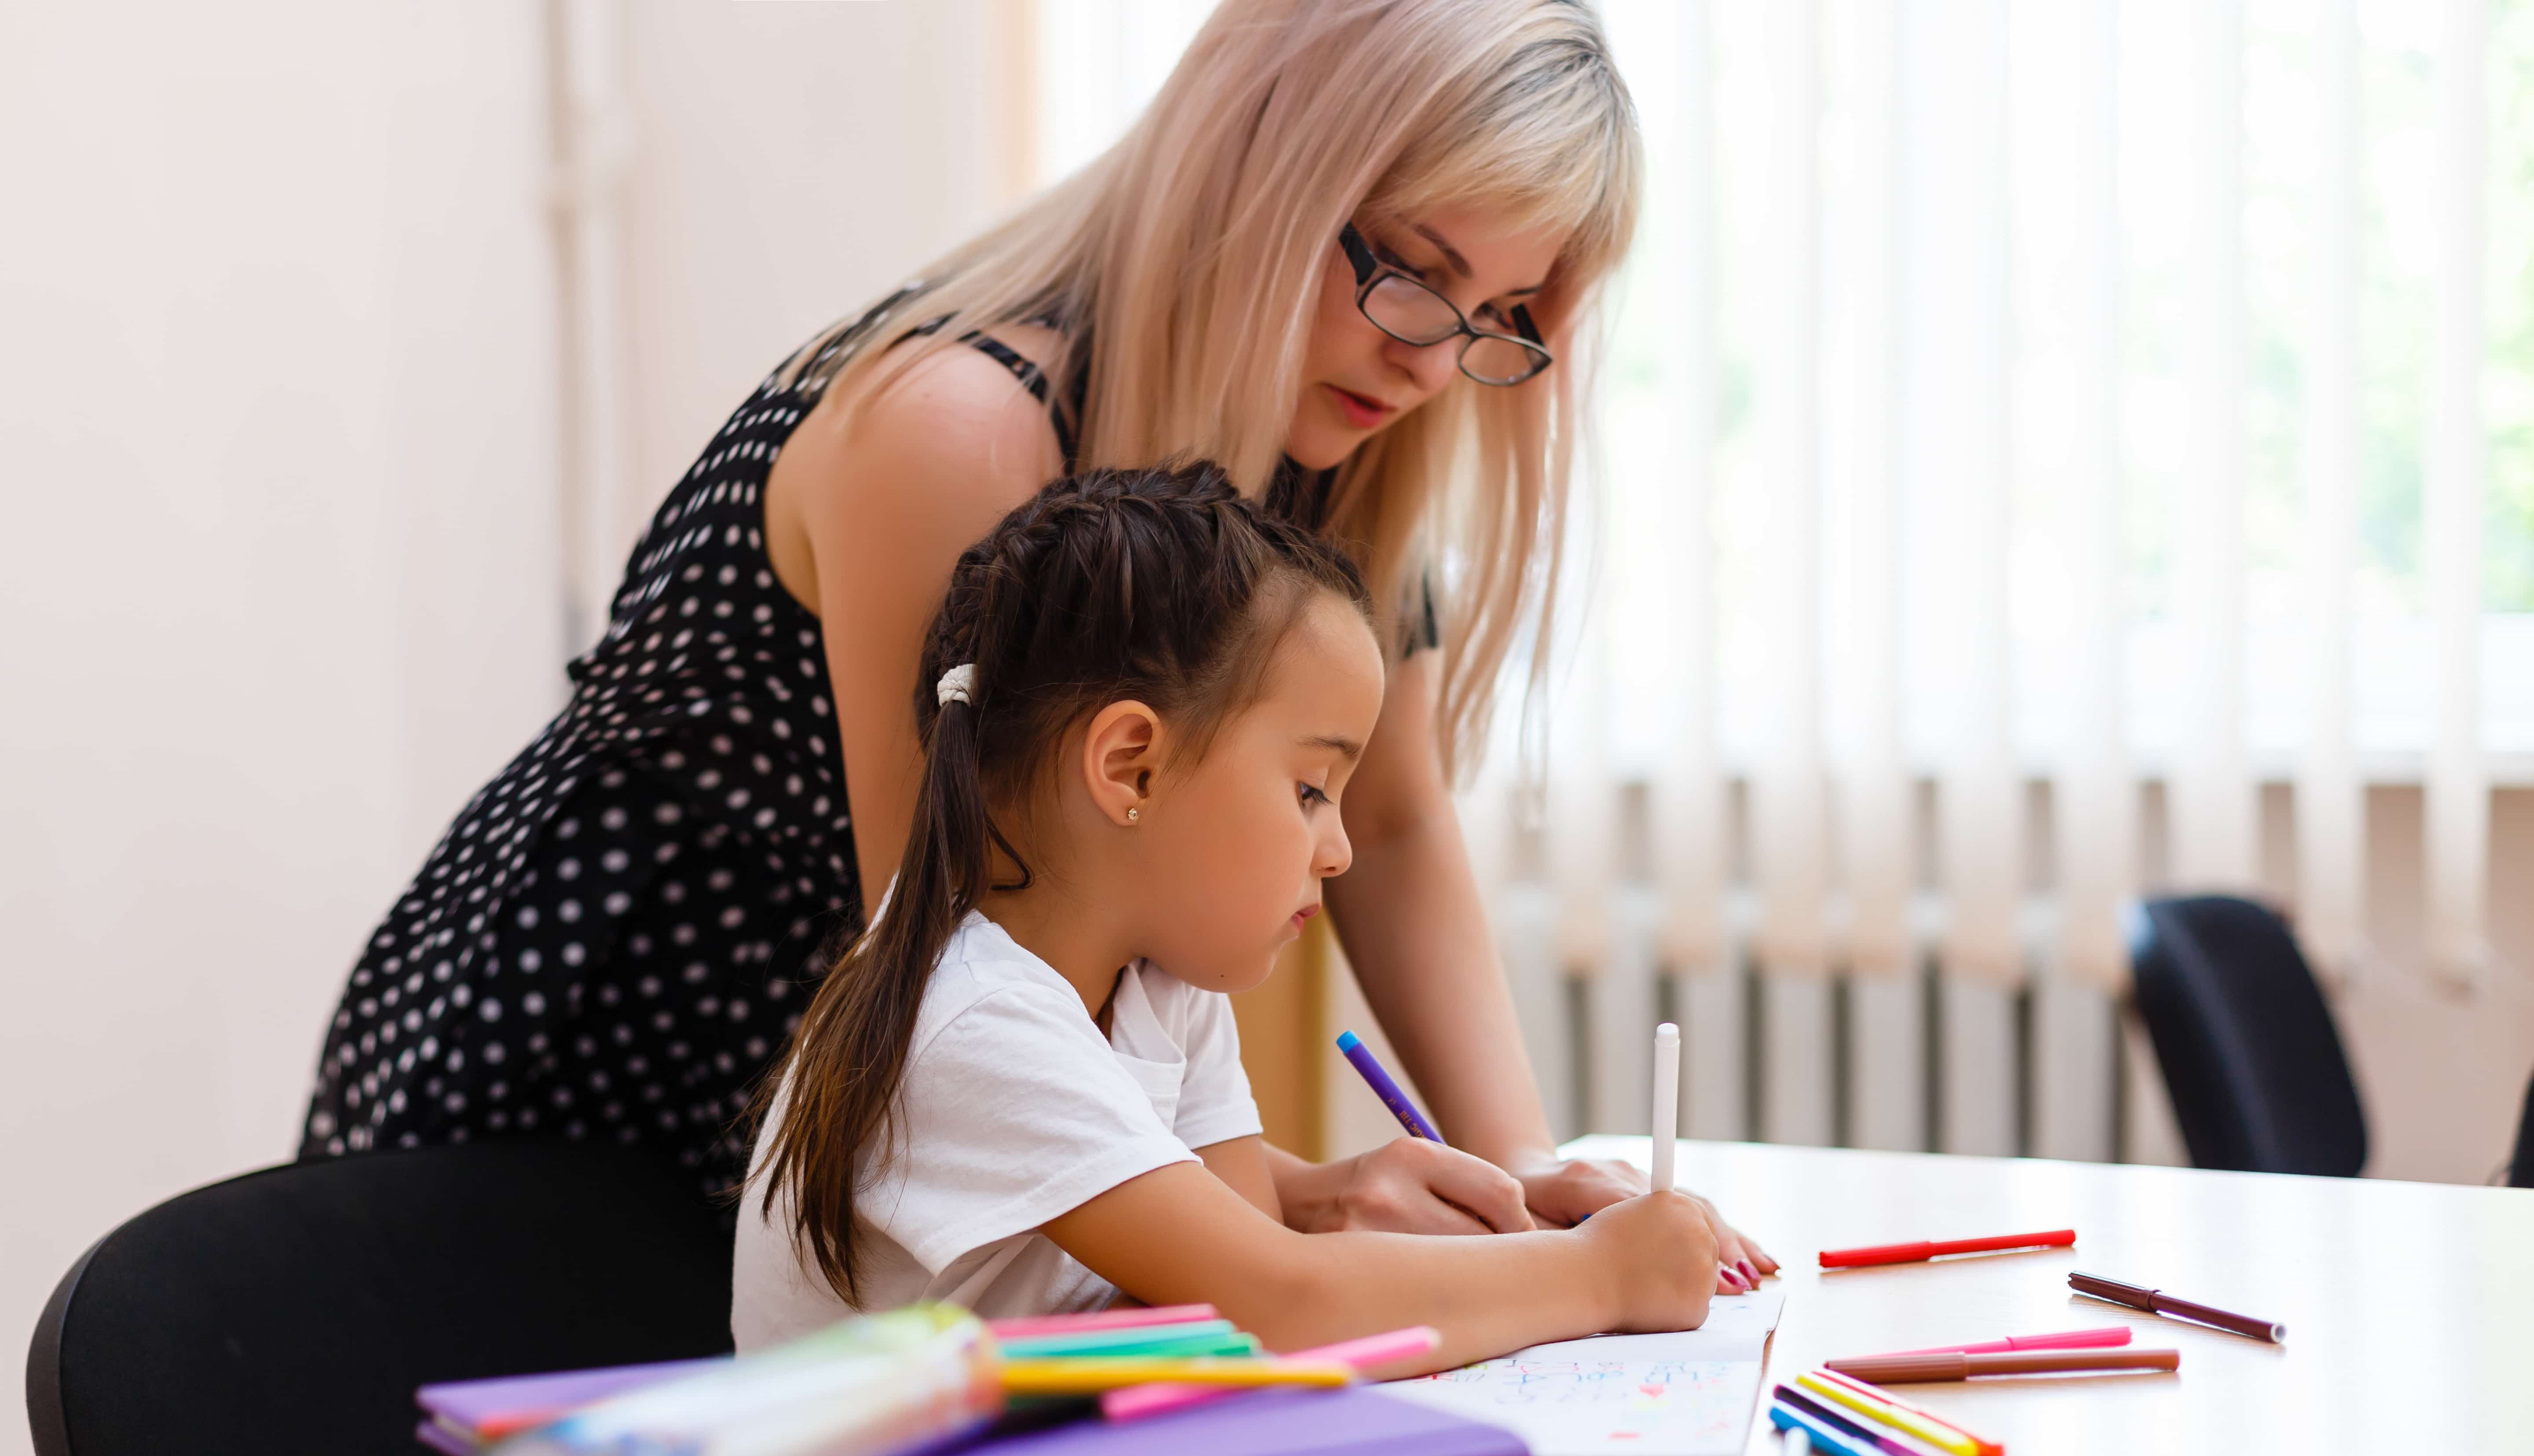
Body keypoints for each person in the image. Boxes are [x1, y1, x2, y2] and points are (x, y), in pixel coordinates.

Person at [301, 0, 1774, 1290]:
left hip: (898, 1178)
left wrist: (1522, 1185)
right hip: (582, 1107)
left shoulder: (1339, 454)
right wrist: (1299, 1219)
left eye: (1501, 315)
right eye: (1407, 267)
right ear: (1257, 160)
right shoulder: (964, 430)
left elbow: (1391, 822)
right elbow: (953, 952)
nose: (1434, 356)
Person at [734, 463, 1719, 1361]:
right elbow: (1279, 1304)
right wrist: (1604, 1276)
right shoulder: (972, 1016)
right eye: (1309, 789)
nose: (1336, 849)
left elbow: (1234, 1287)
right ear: (1134, 766)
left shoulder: (1154, 978)